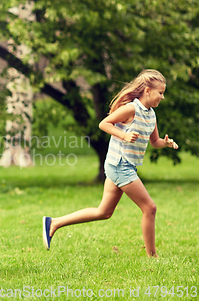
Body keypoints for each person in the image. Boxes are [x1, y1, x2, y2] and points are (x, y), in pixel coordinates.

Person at [42, 69, 179, 257]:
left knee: (104, 212)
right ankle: (152, 256)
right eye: (160, 92)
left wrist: (166, 143)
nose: (162, 97)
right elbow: (104, 124)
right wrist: (124, 135)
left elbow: (154, 142)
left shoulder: (151, 114)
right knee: (150, 207)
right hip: (120, 165)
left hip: (123, 165)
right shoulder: (131, 109)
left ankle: (54, 223)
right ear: (147, 90)